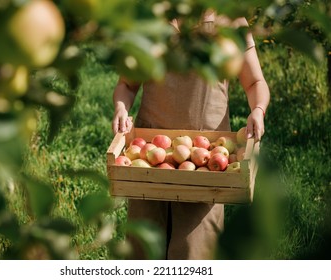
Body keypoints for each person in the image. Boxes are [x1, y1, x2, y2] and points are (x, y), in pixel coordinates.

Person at [111, 10, 270, 260]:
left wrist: (258, 110)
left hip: (207, 160)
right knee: (142, 251)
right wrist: (121, 107)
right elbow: (127, 84)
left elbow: (254, 83)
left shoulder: (231, 22)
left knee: (195, 252)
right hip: (148, 155)